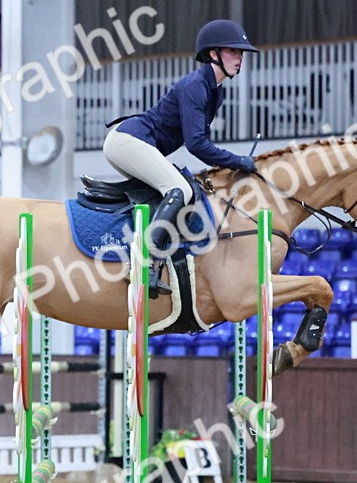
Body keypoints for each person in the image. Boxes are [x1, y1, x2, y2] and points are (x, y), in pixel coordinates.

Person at [103, 19, 260, 296]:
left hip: (135, 143)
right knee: (180, 189)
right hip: (128, 140)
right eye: (233, 51)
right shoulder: (196, 86)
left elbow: (200, 143)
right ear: (213, 54)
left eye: (241, 53)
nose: (240, 58)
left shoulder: (215, 91)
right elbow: (196, 144)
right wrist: (236, 160)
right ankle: (144, 264)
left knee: (177, 189)